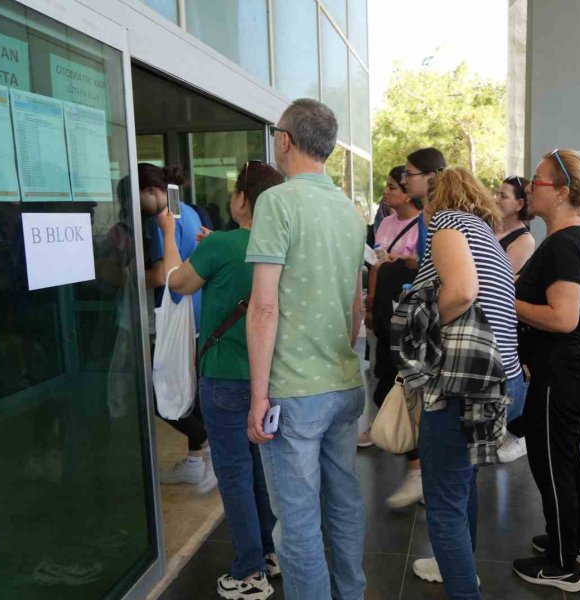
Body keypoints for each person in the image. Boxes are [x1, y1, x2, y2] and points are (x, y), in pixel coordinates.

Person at [245, 99, 367, 600]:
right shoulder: (349, 210)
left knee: (296, 525)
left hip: (294, 390)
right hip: (344, 382)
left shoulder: (277, 202)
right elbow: (357, 306)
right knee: (343, 504)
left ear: (286, 140)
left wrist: (258, 397)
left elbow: (264, 308)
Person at [156, 161, 285, 600]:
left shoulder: (221, 246)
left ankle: (249, 572)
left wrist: (169, 232)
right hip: (270, 375)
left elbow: (177, 283)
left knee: (233, 474)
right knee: (261, 472)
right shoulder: (280, 243)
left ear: (243, 200)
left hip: (226, 378)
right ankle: (270, 553)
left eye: (235, 191)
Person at [407, 168, 523, 598]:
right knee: (462, 483)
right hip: (502, 381)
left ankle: (462, 585)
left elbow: (460, 292)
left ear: (437, 198)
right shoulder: (486, 234)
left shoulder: (446, 224)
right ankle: (460, 569)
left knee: (443, 503)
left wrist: (417, 323)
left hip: (463, 387)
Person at [510, 149, 580, 593]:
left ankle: (563, 564)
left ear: (563, 192)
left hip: (562, 368)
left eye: (537, 182)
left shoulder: (566, 243)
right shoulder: (573, 238)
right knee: (565, 459)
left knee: (551, 464)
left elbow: (563, 317)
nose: (530, 188)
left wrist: (507, 303)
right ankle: (578, 541)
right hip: (571, 366)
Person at [138, 163, 215, 493]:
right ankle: (197, 459)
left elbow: (162, 275)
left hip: (174, 318)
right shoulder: (190, 213)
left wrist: (120, 276)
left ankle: (203, 440)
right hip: (193, 314)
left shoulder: (164, 222)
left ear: (151, 192)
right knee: (187, 386)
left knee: (163, 393)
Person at [376, 148, 446, 509]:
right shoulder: (427, 219)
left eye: (409, 174)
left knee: (418, 397)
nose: (403, 181)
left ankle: (422, 473)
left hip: (424, 323)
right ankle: (423, 473)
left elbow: (455, 283)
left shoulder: (442, 221)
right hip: (407, 316)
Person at [360, 166, 425, 502]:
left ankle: (417, 465)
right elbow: (374, 263)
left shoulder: (425, 225)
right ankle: (399, 440)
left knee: (399, 384)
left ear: (408, 191)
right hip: (385, 312)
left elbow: (427, 268)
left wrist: (404, 259)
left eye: (391, 187)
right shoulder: (384, 222)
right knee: (383, 377)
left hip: (410, 316)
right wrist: (370, 306)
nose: (386, 192)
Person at [494, 175, 536, 463]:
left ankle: (521, 433)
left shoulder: (523, 239)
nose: (497, 199)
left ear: (520, 204)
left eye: (504, 195)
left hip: (507, 316)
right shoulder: (491, 230)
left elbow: (500, 280)